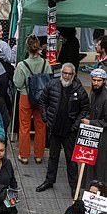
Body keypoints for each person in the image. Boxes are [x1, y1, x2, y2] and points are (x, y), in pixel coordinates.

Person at [37, 63, 90, 192]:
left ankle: (74, 187)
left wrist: (76, 125)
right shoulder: (52, 84)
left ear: (73, 75)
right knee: (53, 156)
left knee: (71, 159)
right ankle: (49, 180)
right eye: (64, 73)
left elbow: (85, 109)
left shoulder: (79, 89)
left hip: (69, 131)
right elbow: (42, 101)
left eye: (69, 74)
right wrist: (46, 119)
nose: (66, 76)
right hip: (54, 128)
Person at [13, 36, 51, 165]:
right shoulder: (46, 63)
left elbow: (17, 83)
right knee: (41, 126)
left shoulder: (22, 65)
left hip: (25, 96)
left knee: (24, 126)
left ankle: (24, 155)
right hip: (42, 98)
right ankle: (39, 155)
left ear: (26, 48)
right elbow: (49, 81)